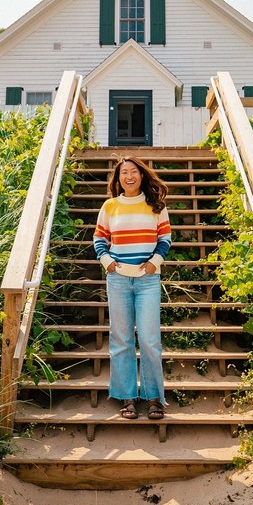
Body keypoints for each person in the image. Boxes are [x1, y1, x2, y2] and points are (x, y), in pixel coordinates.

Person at [93, 156, 171, 420]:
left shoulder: (156, 206)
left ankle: (153, 398)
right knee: (121, 340)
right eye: (123, 172)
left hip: (148, 279)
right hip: (118, 280)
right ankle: (127, 397)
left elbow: (165, 238)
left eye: (134, 171)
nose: (129, 176)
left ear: (142, 175)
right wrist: (108, 262)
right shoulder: (110, 206)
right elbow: (100, 238)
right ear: (118, 179)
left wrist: (155, 262)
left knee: (150, 340)